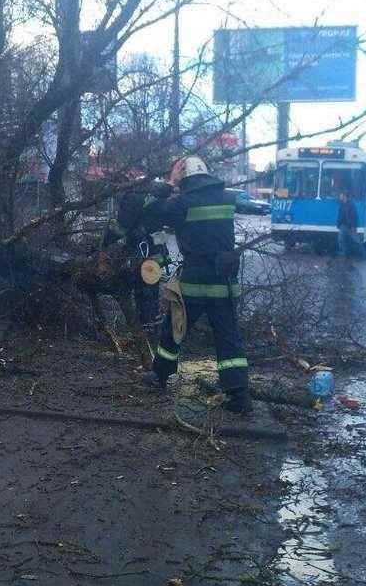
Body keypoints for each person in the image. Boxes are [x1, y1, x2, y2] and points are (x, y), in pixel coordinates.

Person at [140, 155, 253, 415]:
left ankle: (159, 376)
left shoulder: (182, 202)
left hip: (195, 282)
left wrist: (166, 187)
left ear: (186, 179)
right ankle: (239, 396)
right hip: (224, 283)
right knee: (228, 339)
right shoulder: (226, 198)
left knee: (174, 328)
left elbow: (152, 213)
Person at [102, 178, 172, 329]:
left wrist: (104, 243)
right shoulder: (155, 196)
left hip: (143, 250)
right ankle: (150, 323)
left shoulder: (133, 197)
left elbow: (121, 227)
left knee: (142, 287)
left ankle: (145, 326)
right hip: (157, 249)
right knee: (150, 287)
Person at [337, 191, 366, 258]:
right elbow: (340, 215)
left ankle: (363, 253)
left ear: (344, 196)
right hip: (343, 225)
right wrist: (338, 223)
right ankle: (344, 253)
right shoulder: (342, 204)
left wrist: (353, 226)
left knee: (356, 240)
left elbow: (354, 216)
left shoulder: (351, 204)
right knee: (341, 240)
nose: (339, 196)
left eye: (341, 195)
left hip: (350, 226)